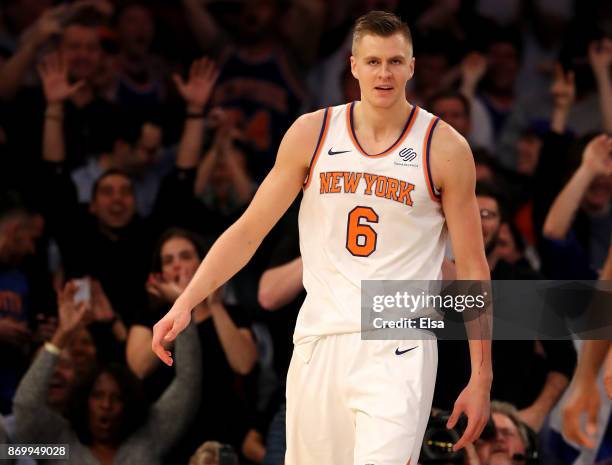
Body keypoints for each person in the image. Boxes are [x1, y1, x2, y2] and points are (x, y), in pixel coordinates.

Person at [153, 11, 492, 465]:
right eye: (373, 62)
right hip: (319, 336)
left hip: (398, 339)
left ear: (412, 66)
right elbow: (249, 231)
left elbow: (472, 268)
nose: (384, 73)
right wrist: (186, 301)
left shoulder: (444, 147)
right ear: (353, 65)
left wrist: (481, 374)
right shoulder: (312, 133)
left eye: (395, 61)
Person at [13, 280, 201, 465]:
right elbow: (25, 410)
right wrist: (61, 335)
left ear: (129, 405)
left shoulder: (149, 440)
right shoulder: (60, 446)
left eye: (117, 397)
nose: (106, 405)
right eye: (97, 395)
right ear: (84, 400)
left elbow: (188, 382)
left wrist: (182, 307)